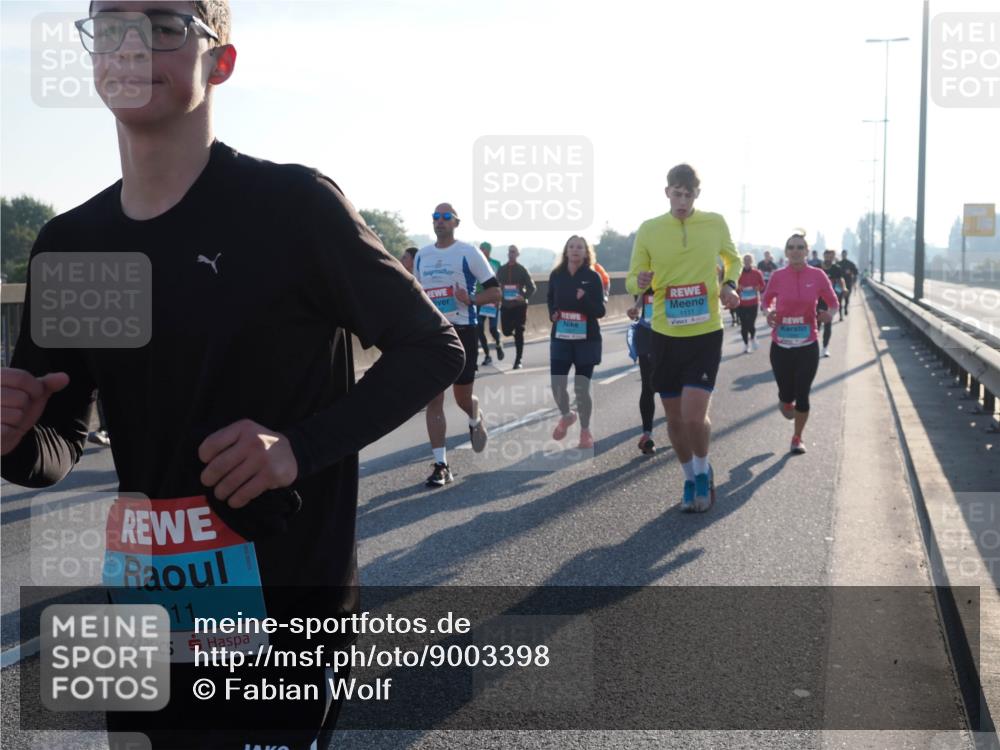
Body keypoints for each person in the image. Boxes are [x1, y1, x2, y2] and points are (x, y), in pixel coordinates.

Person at [0, 3, 465, 747]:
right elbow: (57, 442)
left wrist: (298, 449)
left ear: (221, 61)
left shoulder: (290, 210)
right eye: (111, 24)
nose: (131, 43)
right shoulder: (74, 244)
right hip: (145, 614)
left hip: (283, 615)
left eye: (163, 24)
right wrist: (14, 439)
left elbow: (432, 348)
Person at [626, 163, 740, 513]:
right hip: (664, 333)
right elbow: (631, 280)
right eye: (677, 193)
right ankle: (689, 477)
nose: (683, 200)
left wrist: (729, 285)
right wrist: (640, 283)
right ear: (667, 193)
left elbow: (732, 260)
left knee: (693, 416)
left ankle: (704, 471)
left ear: (697, 196)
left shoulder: (714, 223)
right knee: (674, 420)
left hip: (705, 332)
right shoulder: (649, 229)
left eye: (689, 194)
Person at [415, 204, 501, 487]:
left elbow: (495, 290)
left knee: (463, 398)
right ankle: (441, 465)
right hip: (433, 333)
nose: (439, 221)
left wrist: (471, 299)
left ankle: (475, 416)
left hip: (463, 331)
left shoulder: (468, 252)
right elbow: (416, 292)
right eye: (435, 217)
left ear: (456, 222)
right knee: (434, 398)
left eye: (445, 217)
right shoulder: (422, 256)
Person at [762, 233, 838, 454]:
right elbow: (766, 301)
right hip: (781, 345)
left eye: (800, 247)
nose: (795, 251)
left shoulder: (818, 275)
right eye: (791, 247)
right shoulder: (778, 276)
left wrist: (830, 314)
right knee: (787, 398)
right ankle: (785, 401)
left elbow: (833, 303)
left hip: (807, 344)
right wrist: (768, 313)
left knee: (803, 394)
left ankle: (797, 437)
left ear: (806, 251)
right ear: (786, 252)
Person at [548, 236, 606, 449]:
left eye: (579, 247)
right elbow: (550, 299)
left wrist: (584, 299)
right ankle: (566, 415)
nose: (575, 250)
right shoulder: (557, 275)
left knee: (581, 387)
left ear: (585, 252)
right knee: (557, 385)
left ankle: (585, 431)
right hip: (561, 338)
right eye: (571, 246)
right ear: (566, 251)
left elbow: (600, 311)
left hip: (586, 341)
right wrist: (553, 313)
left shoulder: (592, 277)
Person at [626, 284, 657, 454]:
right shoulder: (648, 264)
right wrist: (636, 307)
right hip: (648, 333)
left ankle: (681, 429)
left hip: (676, 333)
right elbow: (644, 293)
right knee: (648, 386)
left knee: (676, 386)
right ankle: (647, 435)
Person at [497, 244, 536, 369]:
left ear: (517, 254)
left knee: (519, 331)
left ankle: (518, 360)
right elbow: (496, 286)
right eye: (509, 251)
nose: (511, 254)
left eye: (513, 252)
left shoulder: (522, 269)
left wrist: (524, 296)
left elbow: (532, 287)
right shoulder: (502, 269)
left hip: (519, 306)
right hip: (506, 306)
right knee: (506, 331)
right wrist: (498, 296)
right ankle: (512, 333)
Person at [475, 241, 503, 365]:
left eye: (483, 249)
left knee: (492, 328)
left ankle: (498, 343)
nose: (481, 251)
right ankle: (487, 355)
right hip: (480, 299)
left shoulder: (496, 264)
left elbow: (500, 283)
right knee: (479, 327)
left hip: (492, 300)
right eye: (480, 249)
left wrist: (498, 298)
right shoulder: (475, 264)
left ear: (488, 251)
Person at [736, 253, 766, 353]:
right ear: (743, 261)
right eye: (745, 259)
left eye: (749, 259)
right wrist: (738, 288)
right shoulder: (738, 273)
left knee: (751, 324)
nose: (747, 261)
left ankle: (753, 337)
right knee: (744, 325)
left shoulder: (757, 273)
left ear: (752, 261)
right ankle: (745, 344)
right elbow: (734, 286)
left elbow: (762, 286)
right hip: (741, 304)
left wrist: (757, 287)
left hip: (753, 303)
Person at [818, 249, 846, 354]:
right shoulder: (817, 267)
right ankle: (813, 346)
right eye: (827, 256)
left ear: (833, 258)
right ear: (824, 256)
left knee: (828, 324)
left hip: (829, 301)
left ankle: (825, 348)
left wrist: (844, 288)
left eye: (831, 257)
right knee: (816, 325)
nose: (828, 259)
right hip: (817, 300)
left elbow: (840, 279)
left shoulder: (836, 269)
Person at [838, 249, 859, 316]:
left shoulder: (850, 264)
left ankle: (846, 308)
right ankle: (840, 314)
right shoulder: (838, 264)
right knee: (839, 299)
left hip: (848, 283)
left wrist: (850, 272)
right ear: (841, 255)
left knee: (847, 298)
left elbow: (856, 272)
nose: (843, 255)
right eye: (843, 254)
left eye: (845, 254)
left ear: (846, 255)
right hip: (839, 284)